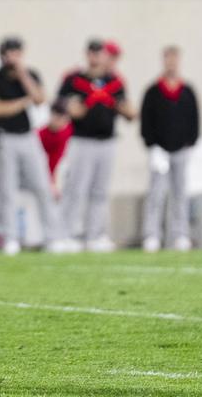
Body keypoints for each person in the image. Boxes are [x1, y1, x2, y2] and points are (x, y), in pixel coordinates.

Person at [0, 37, 70, 255]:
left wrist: (22, 74)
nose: (14, 57)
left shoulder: (30, 75)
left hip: (28, 136)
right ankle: (10, 238)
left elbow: (40, 98)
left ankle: (53, 236)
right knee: (8, 190)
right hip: (5, 138)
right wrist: (21, 102)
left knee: (43, 185)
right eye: (11, 53)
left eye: (18, 53)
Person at [58, 40, 136, 252]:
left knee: (99, 191)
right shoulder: (75, 80)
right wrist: (73, 107)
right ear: (87, 55)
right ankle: (66, 233)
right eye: (91, 53)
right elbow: (62, 105)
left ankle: (95, 235)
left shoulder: (114, 82)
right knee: (75, 188)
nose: (95, 58)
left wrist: (120, 106)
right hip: (82, 140)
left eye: (99, 53)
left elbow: (128, 110)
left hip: (107, 141)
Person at [138, 46, 200, 253]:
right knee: (156, 194)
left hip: (181, 149)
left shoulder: (187, 91)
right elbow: (145, 120)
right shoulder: (153, 92)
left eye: (175, 59)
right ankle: (152, 234)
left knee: (180, 193)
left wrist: (191, 143)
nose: (171, 63)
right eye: (168, 59)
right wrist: (152, 145)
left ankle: (180, 234)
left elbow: (194, 119)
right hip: (160, 150)